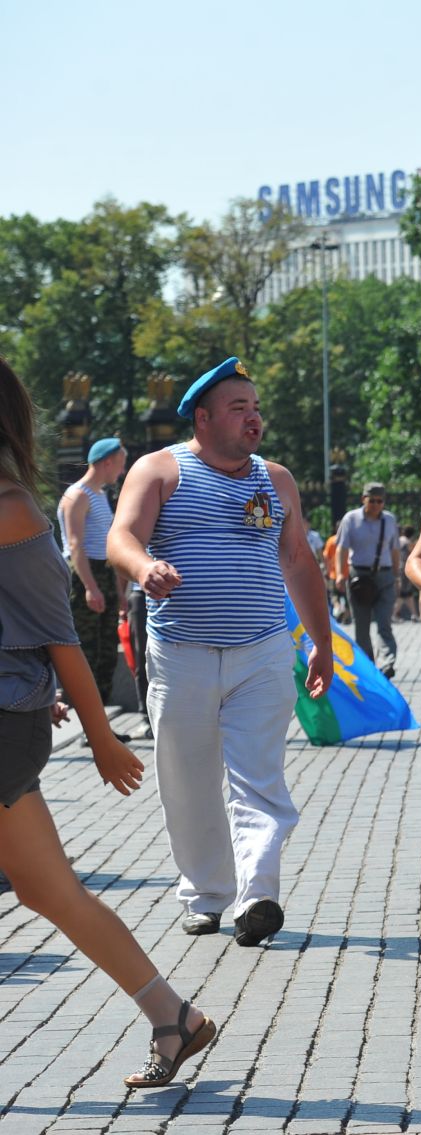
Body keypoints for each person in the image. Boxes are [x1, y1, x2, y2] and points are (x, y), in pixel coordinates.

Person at [0, 357, 218, 1089]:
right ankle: (173, 1014)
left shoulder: (12, 509)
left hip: (5, 720)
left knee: (51, 888)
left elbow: (57, 634)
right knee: (49, 890)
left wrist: (100, 736)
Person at [108, 357, 333, 944]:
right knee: (188, 775)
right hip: (181, 651)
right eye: (240, 408)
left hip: (261, 652)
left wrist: (321, 643)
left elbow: (298, 562)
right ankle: (207, 895)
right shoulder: (161, 469)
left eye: (256, 408)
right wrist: (144, 566)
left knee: (258, 776)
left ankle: (257, 894)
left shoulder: (275, 478)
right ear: (203, 418)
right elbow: (121, 536)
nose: (254, 418)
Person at [57, 437, 128, 705]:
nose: (121, 472)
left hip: (104, 575)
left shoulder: (100, 495)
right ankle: (89, 720)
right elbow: (75, 545)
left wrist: (119, 591)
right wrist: (90, 587)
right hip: (86, 574)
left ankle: (102, 727)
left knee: (107, 652)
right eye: (120, 465)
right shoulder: (77, 495)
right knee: (89, 651)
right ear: (107, 461)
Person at [332, 482, 402, 677]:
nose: (376, 505)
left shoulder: (389, 520)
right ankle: (369, 667)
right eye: (372, 501)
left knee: (384, 623)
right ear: (363, 499)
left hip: (385, 575)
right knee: (361, 626)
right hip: (359, 578)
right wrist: (340, 574)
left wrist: (397, 576)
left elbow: (395, 550)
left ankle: (387, 663)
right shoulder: (351, 519)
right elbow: (342, 549)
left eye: (380, 501)